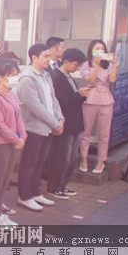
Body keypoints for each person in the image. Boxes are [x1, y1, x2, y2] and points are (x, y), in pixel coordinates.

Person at [16, 43, 64, 212]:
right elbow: (35, 106)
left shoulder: (46, 75)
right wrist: (54, 123)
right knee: (29, 163)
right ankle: (24, 196)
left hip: (48, 127)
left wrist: (60, 118)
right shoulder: (27, 78)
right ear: (34, 57)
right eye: (45, 56)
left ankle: (35, 192)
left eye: (49, 56)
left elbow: (53, 98)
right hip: (34, 128)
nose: (48, 59)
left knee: (40, 162)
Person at [0, 59, 26, 226]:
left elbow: (18, 117)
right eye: (11, 75)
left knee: (4, 181)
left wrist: (23, 136)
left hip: (13, 144)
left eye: (15, 74)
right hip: (0, 144)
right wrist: (16, 138)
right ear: (1, 77)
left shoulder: (11, 94)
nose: (15, 78)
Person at [47, 48, 88, 199]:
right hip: (65, 123)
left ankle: (62, 185)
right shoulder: (56, 77)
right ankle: (54, 186)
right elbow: (60, 102)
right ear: (66, 62)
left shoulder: (69, 77)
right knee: (62, 157)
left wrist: (81, 95)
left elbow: (72, 99)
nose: (77, 68)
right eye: (75, 64)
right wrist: (78, 95)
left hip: (74, 122)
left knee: (72, 158)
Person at [79, 39, 117, 174]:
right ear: (91, 50)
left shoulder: (108, 64)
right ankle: (83, 159)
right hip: (91, 96)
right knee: (86, 131)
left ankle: (101, 161)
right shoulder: (85, 65)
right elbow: (91, 80)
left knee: (104, 133)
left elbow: (112, 79)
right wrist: (95, 65)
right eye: (97, 48)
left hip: (105, 98)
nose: (100, 51)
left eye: (102, 48)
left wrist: (114, 64)